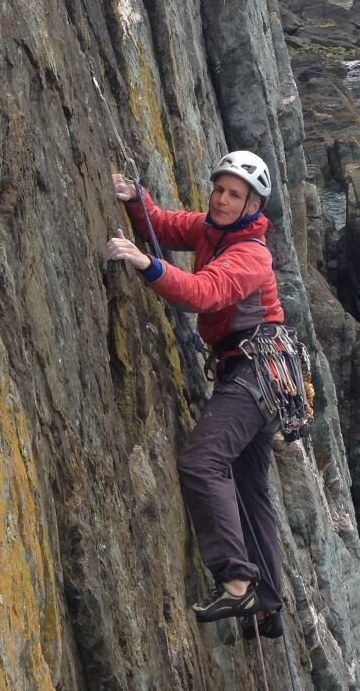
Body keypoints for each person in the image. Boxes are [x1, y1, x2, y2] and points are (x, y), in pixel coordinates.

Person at [107, 152, 285, 635]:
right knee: (250, 488)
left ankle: (238, 584)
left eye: (235, 194)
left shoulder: (251, 254)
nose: (223, 200)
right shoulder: (213, 228)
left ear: (253, 204)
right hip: (253, 376)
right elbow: (165, 224)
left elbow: (204, 292)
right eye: (220, 190)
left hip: (254, 374)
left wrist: (145, 264)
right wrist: (135, 199)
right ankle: (267, 602)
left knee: (203, 461)